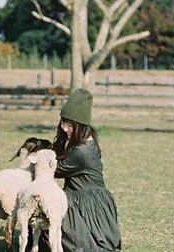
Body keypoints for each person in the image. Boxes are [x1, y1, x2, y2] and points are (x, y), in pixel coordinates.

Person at [36, 88, 122, 252]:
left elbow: (57, 169)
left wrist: (38, 157)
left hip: (86, 201)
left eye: (69, 125)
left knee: (76, 244)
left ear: (80, 126)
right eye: (63, 123)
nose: (64, 128)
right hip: (80, 195)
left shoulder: (82, 151)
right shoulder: (79, 140)